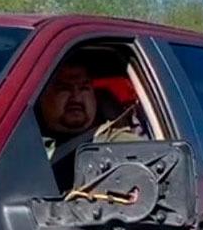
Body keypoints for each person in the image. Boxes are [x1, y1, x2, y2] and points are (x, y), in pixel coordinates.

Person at [37, 51, 143, 188]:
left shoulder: (118, 145)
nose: (76, 97)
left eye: (84, 88)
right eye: (64, 88)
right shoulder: (19, 141)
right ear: (42, 97)